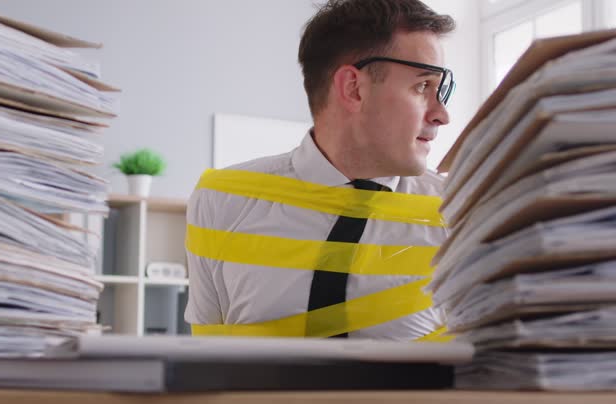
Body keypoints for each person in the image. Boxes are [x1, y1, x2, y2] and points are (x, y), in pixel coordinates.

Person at [185, 0, 455, 340]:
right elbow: (208, 362)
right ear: (353, 88)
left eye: (441, 90)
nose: (441, 115)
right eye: (422, 87)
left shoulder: (460, 216)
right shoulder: (222, 202)